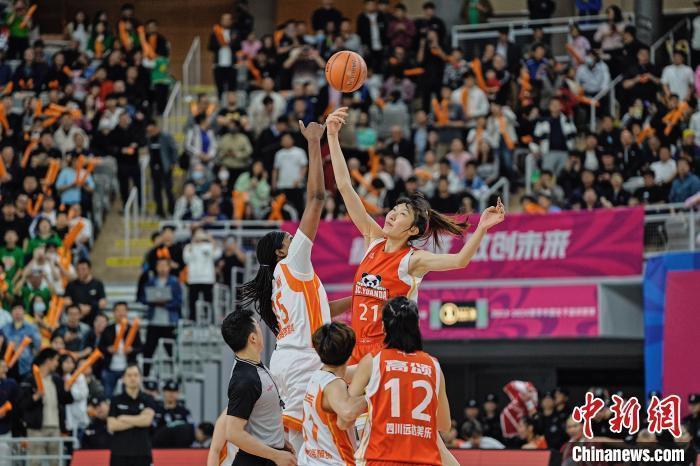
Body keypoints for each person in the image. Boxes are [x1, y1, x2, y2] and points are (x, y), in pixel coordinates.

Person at [325, 107, 505, 365]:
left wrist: (482, 228)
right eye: (394, 210)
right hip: (357, 351)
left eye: (401, 215)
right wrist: (332, 136)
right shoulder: (373, 240)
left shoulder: (412, 260)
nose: (392, 215)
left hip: (386, 355)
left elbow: (460, 261)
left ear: (412, 230)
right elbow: (344, 187)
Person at [238, 120, 350, 454]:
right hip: (303, 360)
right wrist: (314, 142)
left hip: (289, 360)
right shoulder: (292, 263)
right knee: (310, 444)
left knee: (303, 441)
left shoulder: (281, 281)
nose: (295, 238)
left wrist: (361, 297)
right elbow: (316, 197)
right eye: (289, 238)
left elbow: (323, 310)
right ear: (280, 251)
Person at [348, 297, 458, 466]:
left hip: (380, 459)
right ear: (417, 326)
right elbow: (444, 424)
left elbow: (347, 412)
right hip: (424, 460)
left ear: (383, 327)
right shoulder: (434, 366)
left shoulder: (373, 361)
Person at [220, 308, 296, 466]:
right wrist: (276, 455)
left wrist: (279, 441)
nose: (262, 331)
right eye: (258, 327)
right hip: (256, 461)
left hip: (267, 456)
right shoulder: (245, 379)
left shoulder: (254, 366)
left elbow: (261, 416)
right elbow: (233, 433)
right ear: (253, 338)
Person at [298, 322, 366, 465]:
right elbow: (348, 412)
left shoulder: (318, 376)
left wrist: (378, 365)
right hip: (332, 462)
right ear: (350, 352)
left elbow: (359, 371)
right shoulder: (334, 384)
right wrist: (372, 395)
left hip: (310, 459)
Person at [18, 348, 73, 466]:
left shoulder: (57, 380)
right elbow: (21, 404)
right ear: (48, 360)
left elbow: (67, 401)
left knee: (56, 462)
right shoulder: (30, 380)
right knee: (35, 462)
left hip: (55, 427)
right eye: (56, 360)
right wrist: (35, 397)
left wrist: (67, 391)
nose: (57, 364)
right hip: (36, 428)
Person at [107, 364, 157, 466]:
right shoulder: (115, 400)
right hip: (119, 453)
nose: (132, 378)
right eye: (129, 375)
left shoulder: (148, 399)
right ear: (123, 379)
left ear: (141, 378)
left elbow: (147, 421)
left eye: (135, 375)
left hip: (142, 452)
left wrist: (123, 418)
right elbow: (112, 426)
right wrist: (139, 419)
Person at [139, 257, 182, 375]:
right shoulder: (151, 281)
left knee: (171, 352)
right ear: (156, 267)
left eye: (165, 266)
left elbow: (179, 301)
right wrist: (152, 301)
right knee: (148, 351)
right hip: (153, 322)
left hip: (169, 323)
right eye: (160, 266)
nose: (162, 268)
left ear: (169, 267)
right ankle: (146, 377)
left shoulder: (174, 282)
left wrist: (166, 303)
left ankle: (175, 377)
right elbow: (143, 298)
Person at [99, 302, 143, 398]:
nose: (121, 313)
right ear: (113, 313)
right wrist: (108, 349)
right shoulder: (108, 329)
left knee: (128, 395)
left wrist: (132, 349)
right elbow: (100, 347)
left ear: (127, 312)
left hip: (127, 367)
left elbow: (140, 347)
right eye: (118, 310)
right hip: (110, 368)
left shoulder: (133, 329)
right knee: (107, 395)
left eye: (123, 310)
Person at [183, 228, 219, 321]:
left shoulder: (209, 246)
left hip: (207, 279)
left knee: (209, 300)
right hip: (193, 279)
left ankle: (210, 320)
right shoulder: (188, 247)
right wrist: (193, 243)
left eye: (201, 233)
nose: (199, 236)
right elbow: (186, 259)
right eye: (197, 234)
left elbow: (217, 255)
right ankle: (192, 320)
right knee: (192, 301)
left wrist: (211, 239)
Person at [146, 120, 178, 218]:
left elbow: (174, 149)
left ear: (156, 128)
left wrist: (173, 162)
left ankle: (172, 210)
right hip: (154, 169)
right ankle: (160, 211)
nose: (150, 133)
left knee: (168, 190)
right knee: (156, 191)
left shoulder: (166, 137)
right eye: (148, 131)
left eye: (151, 131)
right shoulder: (149, 139)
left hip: (165, 167)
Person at [63, 259, 107, 326]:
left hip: (93, 318)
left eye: (83, 269)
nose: (80, 272)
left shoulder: (98, 284)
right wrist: (79, 307)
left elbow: (103, 303)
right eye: (78, 269)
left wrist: (90, 307)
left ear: (89, 269)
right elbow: (66, 301)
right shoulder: (71, 285)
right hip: (76, 319)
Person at [152, 380, 195, 448]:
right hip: (159, 448)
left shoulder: (184, 412)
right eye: (168, 391)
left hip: (180, 448)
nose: (171, 394)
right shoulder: (156, 410)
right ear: (163, 392)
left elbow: (191, 430)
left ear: (178, 393)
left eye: (174, 391)